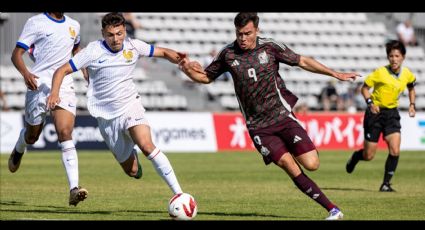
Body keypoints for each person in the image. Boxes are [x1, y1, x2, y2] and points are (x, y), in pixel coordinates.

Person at [179, 12, 360, 220]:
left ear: (257, 30)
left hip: (282, 116)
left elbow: (303, 61)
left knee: (312, 164)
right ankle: (333, 210)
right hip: (259, 127)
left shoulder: (270, 47)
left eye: (247, 33)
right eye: (239, 34)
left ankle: (293, 150)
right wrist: (186, 69)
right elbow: (205, 77)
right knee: (288, 165)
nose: (243, 38)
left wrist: (335, 74)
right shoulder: (227, 54)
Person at [47, 13, 185, 200]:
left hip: (130, 106)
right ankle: (134, 162)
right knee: (132, 170)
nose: (116, 39)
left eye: (119, 33)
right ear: (103, 33)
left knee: (147, 145)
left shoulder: (133, 46)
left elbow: (163, 52)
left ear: (124, 31)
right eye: (110, 35)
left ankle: (180, 194)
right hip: (106, 118)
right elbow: (62, 70)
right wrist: (54, 93)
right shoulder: (92, 51)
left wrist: (182, 60)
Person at [8, 12, 88, 206]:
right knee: (33, 136)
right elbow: (16, 54)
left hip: (65, 84)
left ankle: (73, 188)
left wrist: (87, 73)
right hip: (39, 84)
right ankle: (21, 143)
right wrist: (26, 73)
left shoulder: (74, 25)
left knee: (65, 132)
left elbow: (77, 51)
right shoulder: (35, 22)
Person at [346, 40, 416, 192]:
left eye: (397, 55)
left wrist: (412, 105)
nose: (394, 59)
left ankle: (386, 184)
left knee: (395, 150)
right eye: (391, 56)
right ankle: (356, 157)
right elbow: (364, 89)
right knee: (369, 155)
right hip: (374, 114)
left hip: (392, 114)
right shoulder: (380, 72)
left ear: (403, 57)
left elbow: (411, 87)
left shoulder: (407, 74)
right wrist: (370, 102)